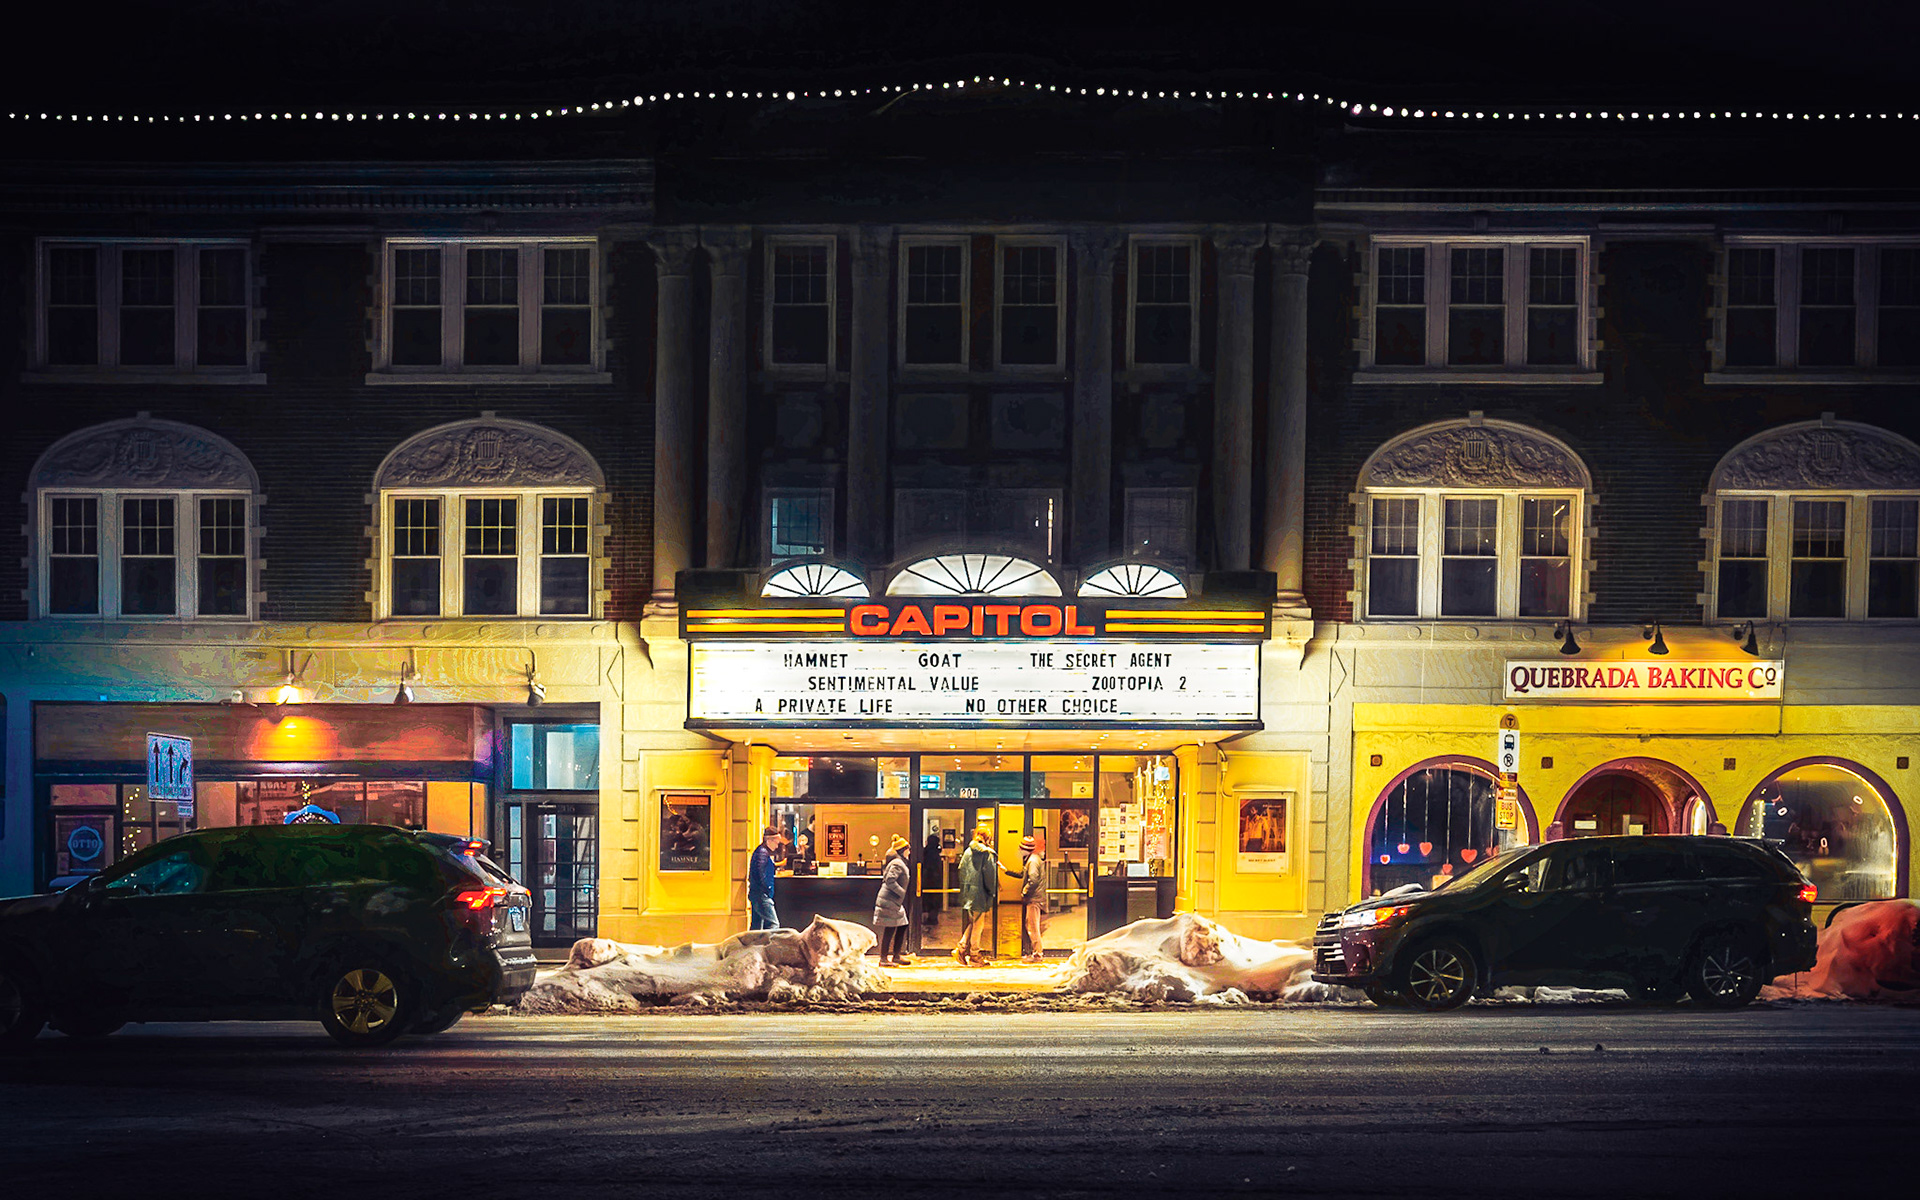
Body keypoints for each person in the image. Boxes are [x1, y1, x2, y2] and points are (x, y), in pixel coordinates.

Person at [953, 823, 1000, 966]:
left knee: (973, 922)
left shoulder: (968, 851)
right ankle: (974, 955)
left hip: (969, 893)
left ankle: (961, 948)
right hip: (980, 894)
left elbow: (961, 868)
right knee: (979, 925)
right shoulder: (987, 854)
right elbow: (990, 875)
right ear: (988, 838)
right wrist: (992, 891)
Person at [1003, 835, 1047, 961]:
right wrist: (1006, 870)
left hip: (1034, 899)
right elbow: (1023, 874)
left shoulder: (1032, 861)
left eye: (1020, 848)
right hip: (1036, 898)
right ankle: (1036, 953)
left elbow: (1033, 879)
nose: (1018, 850)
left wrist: (1025, 891)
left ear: (1025, 849)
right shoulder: (1032, 859)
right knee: (1031, 925)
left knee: (1033, 927)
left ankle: (1038, 954)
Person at [872, 834, 913, 965]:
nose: (909, 852)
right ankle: (884, 958)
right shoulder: (897, 863)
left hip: (892, 900)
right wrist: (901, 892)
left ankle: (896, 955)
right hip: (889, 900)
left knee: (902, 924)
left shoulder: (899, 862)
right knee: (891, 927)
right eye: (908, 849)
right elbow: (890, 880)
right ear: (903, 850)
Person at [749, 825, 783, 930]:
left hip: (757, 893)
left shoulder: (760, 851)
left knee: (757, 926)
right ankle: (770, 946)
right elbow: (760, 873)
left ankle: (752, 945)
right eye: (777, 842)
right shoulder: (763, 853)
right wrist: (767, 889)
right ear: (770, 840)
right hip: (762, 895)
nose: (777, 846)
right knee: (773, 924)